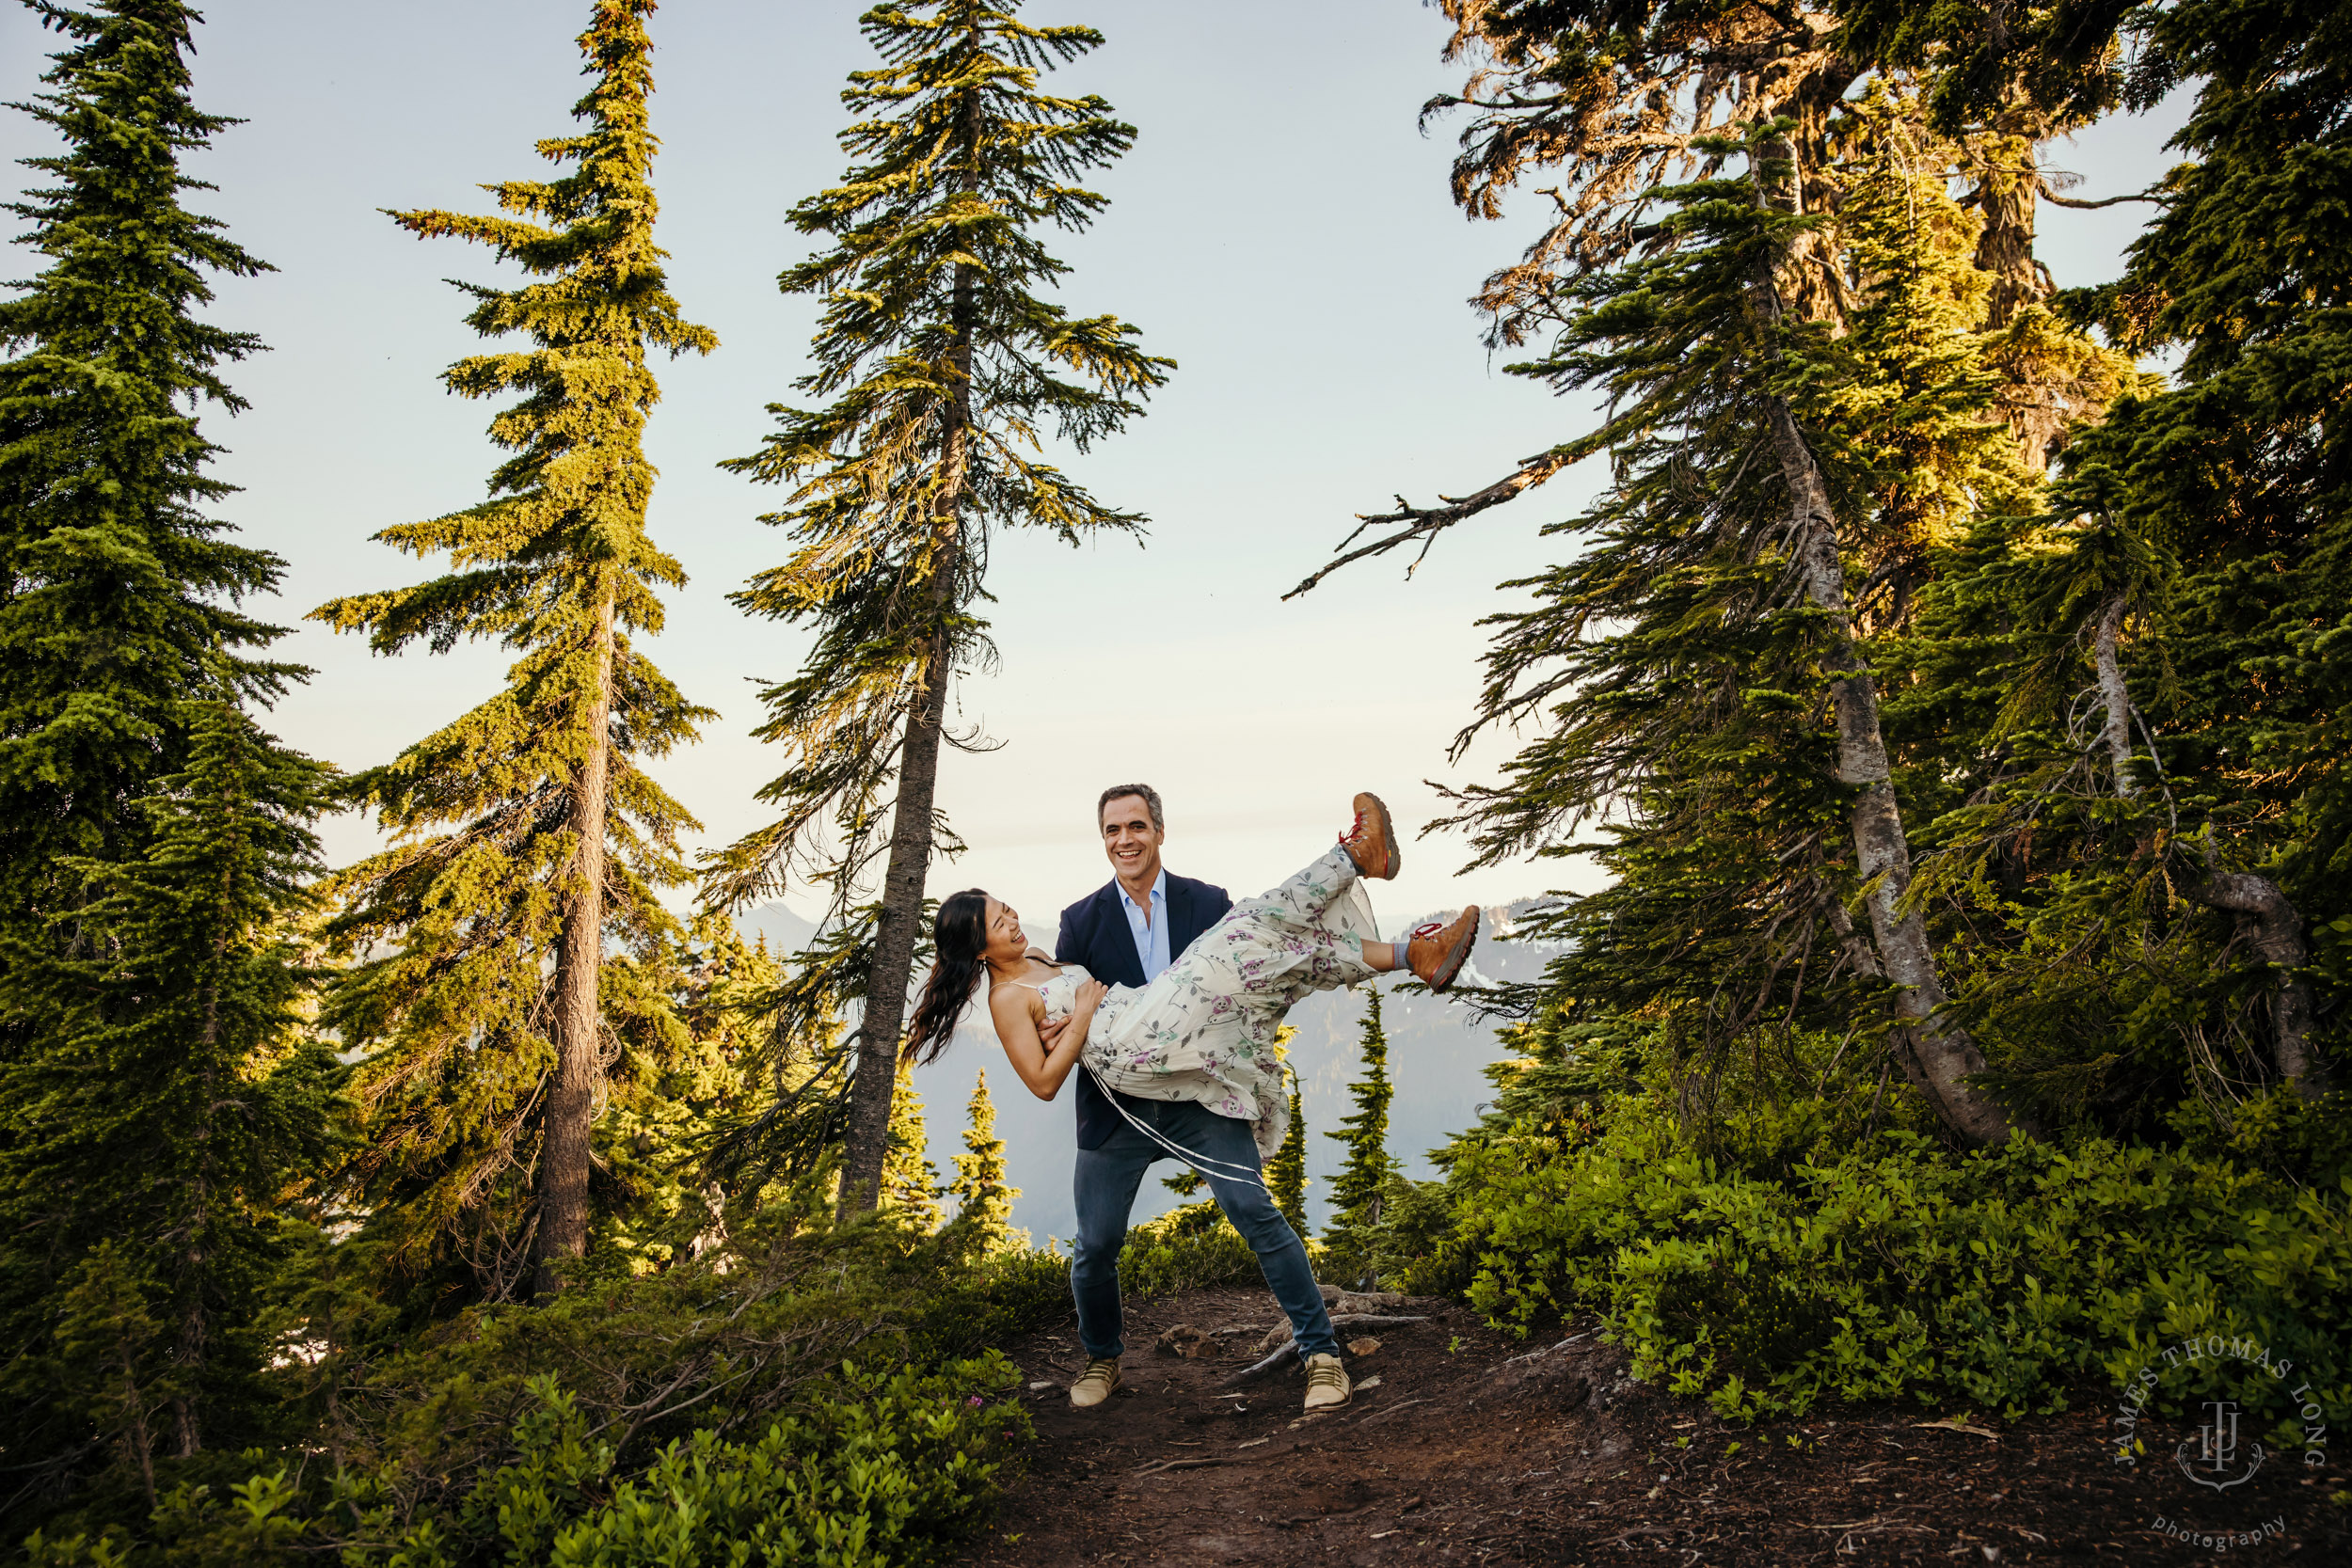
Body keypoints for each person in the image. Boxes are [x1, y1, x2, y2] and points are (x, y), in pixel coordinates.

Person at [901, 790, 1482, 1416]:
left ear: (1157, 831)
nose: (1013, 921)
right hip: (1123, 1084)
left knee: (1257, 940)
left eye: (1010, 910)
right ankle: (1102, 1356)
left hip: (1189, 1072)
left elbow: (1269, 953)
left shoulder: (1085, 939)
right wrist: (1082, 1019)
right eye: (999, 921)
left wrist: (1081, 1014)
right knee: (1095, 1244)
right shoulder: (1035, 966)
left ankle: (1320, 1352)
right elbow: (1043, 1080)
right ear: (979, 946)